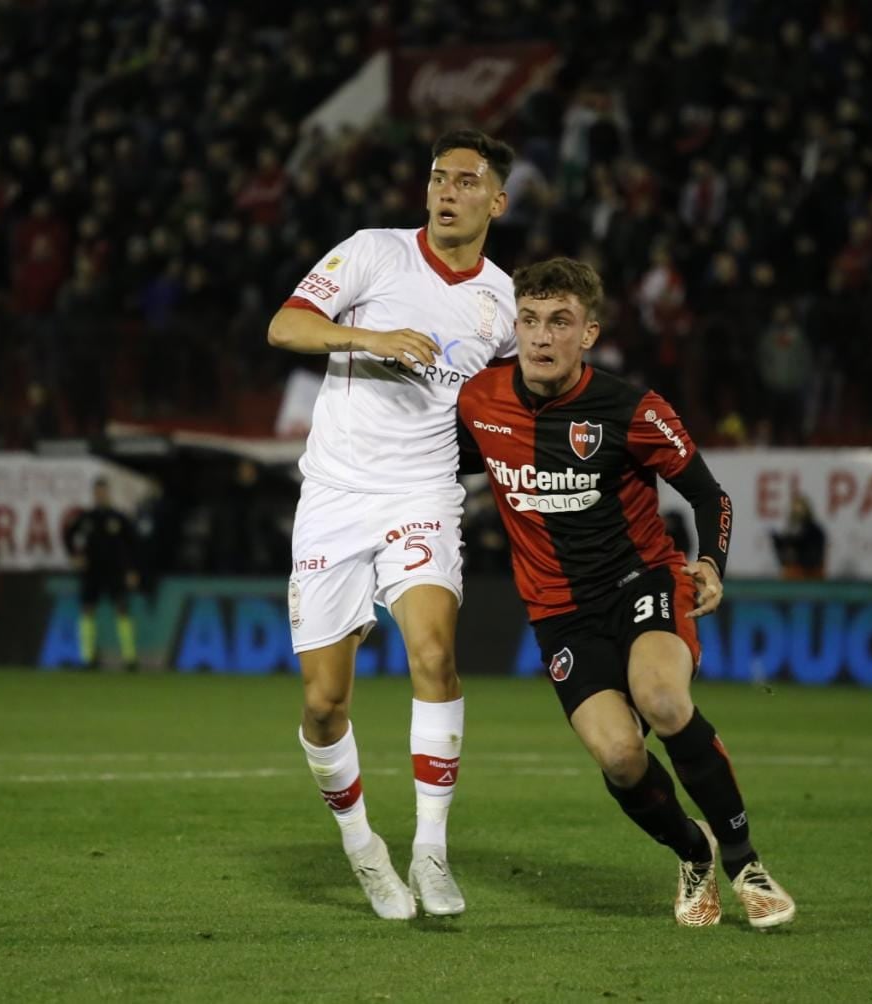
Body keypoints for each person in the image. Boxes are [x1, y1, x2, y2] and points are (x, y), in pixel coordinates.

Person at [457, 258, 795, 929]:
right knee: (619, 755)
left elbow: (709, 493)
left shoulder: (632, 409)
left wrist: (711, 563)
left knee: (664, 700)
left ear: (588, 333)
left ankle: (744, 861)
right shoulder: (479, 400)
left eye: (560, 321)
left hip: (642, 583)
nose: (541, 336)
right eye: (529, 320)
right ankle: (691, 850)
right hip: (559, 614)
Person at [266, 129, 517, 920]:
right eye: (438, 176)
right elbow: (285, 326)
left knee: (435, 655)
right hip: (336, 495)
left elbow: (510, 402)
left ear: (495, 201)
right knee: (322, 702)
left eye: (465, 180)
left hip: (423, 491)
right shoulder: (374, 252)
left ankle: (431, 852)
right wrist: (369, 337)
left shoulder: (504, 303)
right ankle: (363, 849)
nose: (446, 190)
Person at [63, 477, 140, 670]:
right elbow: (68, 534)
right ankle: (88, 658)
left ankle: (130, 658)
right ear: (94, 494)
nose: (100, 495)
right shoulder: (87, 517)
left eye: (103, 491)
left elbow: (133, 544)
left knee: (122, 609)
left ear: (108, 493)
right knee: (87, 610)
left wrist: (131, 569)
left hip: (115, 571)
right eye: (97, 492)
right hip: (92, 571)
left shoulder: (118, 518)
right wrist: (74, 555)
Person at [771, 494, 826, 579]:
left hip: (810, 577)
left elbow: (814, 558)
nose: (796, 512)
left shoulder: (815, 531)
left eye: (799, 509)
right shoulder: (791, 530)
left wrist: (796, 553)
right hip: (791, 577)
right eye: (794, 510)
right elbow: (784, 558)